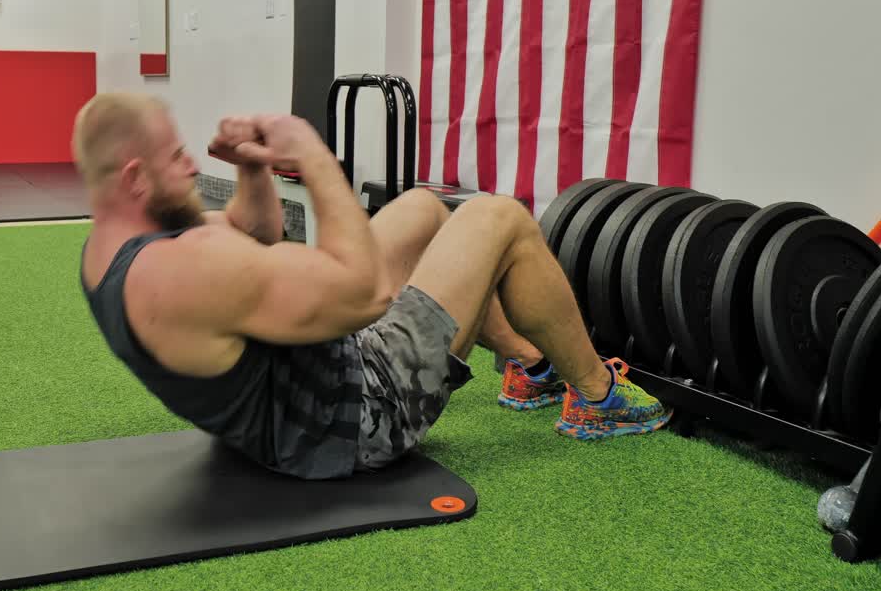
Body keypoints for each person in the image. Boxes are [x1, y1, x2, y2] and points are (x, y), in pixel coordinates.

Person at [76, 92, 670, 480]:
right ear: (135, 177)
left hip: (299, 395)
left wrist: (251, 163)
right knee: (500, 218)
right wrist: (312, 155)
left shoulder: (113, 255)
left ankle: (529, 364)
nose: (188, 165)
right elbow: (364, 295)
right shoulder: (180, 269)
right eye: (176, 155)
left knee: (421, 208)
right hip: (357, 414)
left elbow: (252, 232)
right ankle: (598, 398)